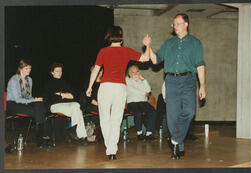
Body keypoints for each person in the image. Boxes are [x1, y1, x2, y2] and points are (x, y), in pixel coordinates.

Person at [86, 26, 151, 160]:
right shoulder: (126, 51)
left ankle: (109, 147)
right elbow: (145, 58)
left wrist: (90, 86)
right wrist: (148, 45)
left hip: (105, 87)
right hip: (120, 88)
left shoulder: (103, 51)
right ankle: (111, 151)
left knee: (105, 118)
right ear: (121, 38)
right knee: (116, 119)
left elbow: (96, 70)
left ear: (109, 37)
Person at [149, 13, 206, 159]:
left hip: (188, 80)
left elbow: (200, 65)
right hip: (171, 81)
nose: (175, 26)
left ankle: (175, 140)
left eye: (178, 23)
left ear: (186, 24)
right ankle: (178, 146)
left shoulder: (195, 43)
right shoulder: (169, 43)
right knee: (172, 118)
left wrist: (202, 85)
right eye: (174, 24)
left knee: (189, 111)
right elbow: (156, 60)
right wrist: (148, 46)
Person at [6, 59, 50, 148]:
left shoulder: (29, 79)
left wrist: (35, 99)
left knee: (40, 105)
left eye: (30, 68)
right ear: (20, 69)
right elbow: (17, 99)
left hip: (25, 103)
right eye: (26, 68)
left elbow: (29, 97)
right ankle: (41, 138)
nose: (29, 70)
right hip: (13, 104)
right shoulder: (14, 80)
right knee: (37, 111)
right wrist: (33, 100)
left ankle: (40, 137)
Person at [44, 63, 88, 146]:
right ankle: (80, 137)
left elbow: (72, 96)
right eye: (57, 71)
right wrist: (64, 95)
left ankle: (75, 131)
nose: (59, 73)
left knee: (76, 105)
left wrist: (60, 94)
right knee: (77, 110)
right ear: (52, 72)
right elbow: (52, 98)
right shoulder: (48, 84)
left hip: (67, 105)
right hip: (55, 106)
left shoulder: (65, 82)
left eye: (60, 71)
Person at [126, 65, 157, 141]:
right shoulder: (127, 80)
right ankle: (139, 134)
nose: (136, 74)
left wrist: (143, 80)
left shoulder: (142, 81)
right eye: (133, 72)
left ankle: (148, 134)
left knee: (153, 111)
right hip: (132, 102)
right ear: (129, 73)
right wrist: (144, 93)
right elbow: (132, 90)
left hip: (143, 102)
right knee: (138, 112)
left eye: (137, 72)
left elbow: (148, 90)